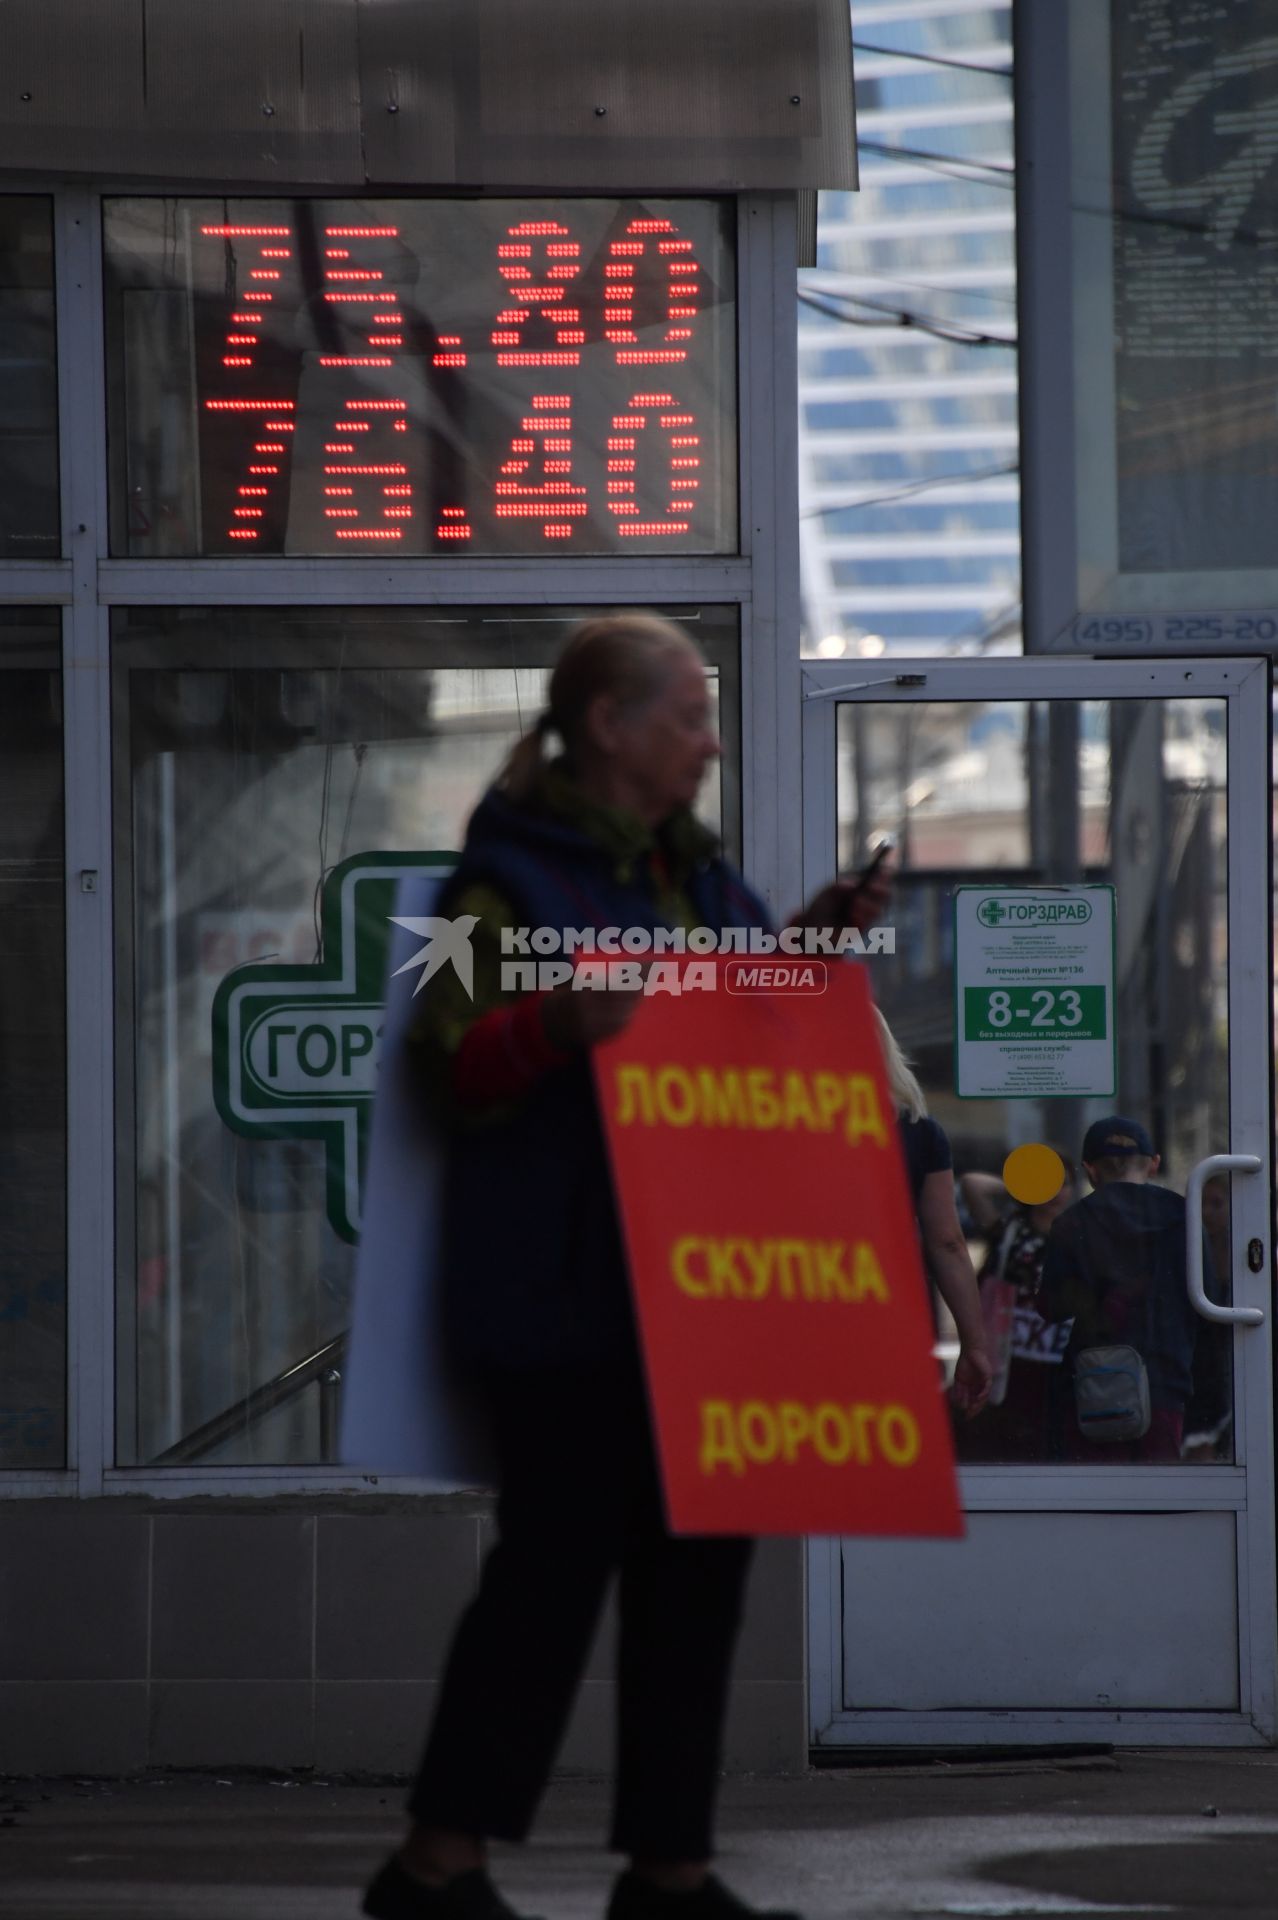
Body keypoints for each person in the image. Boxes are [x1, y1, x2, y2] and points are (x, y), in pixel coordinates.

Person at [362, 612, 891, 1920]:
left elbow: (750, 1029)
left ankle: (669, 1873)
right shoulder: (501, 890)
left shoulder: (701, 884)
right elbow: (446, 1062)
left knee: (698, 1587)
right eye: (689, 718)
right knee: (548, 1580)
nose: (708, 744)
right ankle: (437, 1866)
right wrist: (551, 1020)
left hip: (701, 1301)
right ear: (609, 726)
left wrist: (813, 941)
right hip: (564, 1301)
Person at [1036, 1115, 1200, 1464]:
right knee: (1159, 1496)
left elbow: (1052, 1307)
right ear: (1154, 1165)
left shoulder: (1072, 1222)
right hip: (1165, 1379)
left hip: (1093, 1382)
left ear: (1089, 1170)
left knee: (1094, 1496)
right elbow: (1208, 1299)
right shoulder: (1185, 1216)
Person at [873, 1008, 991, 1420]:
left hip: (801, 1298)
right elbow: (948, 1243)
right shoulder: (919, 1132)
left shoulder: (785, 1122)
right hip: (890, 1307)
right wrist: (974, 1345)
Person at [954, 1155, 1078, 1462]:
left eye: (1062, 1183)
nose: (1056, 1192)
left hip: (1059, 1365)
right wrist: (1023, 1185)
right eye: (1048, 1182)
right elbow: (972, 1185)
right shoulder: (1009, 1229)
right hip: (1009, 1365)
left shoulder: (1081, 1234)